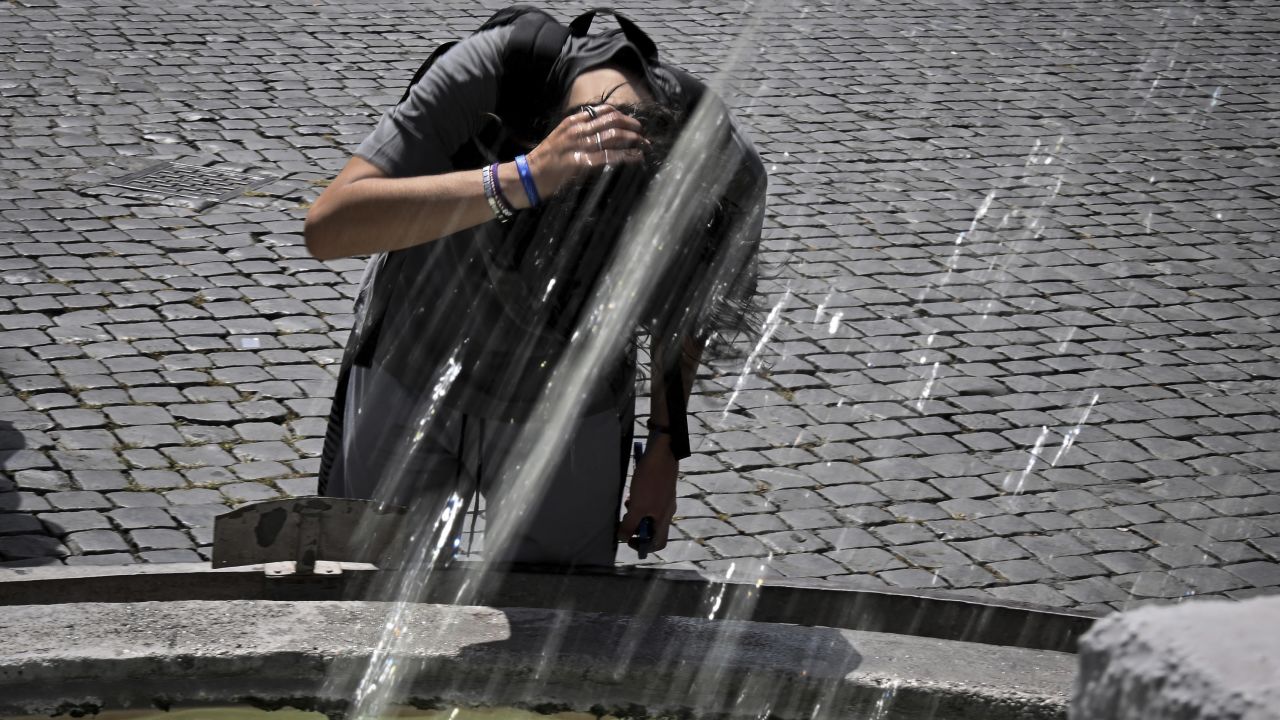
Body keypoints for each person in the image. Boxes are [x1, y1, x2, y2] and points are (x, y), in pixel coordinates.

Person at [304, 7, 766, 568]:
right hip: (410, 376)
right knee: (361, 603)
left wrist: (665, 448)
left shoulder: (720, 167)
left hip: (567, 414)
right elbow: (329, 226)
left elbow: (686, 312)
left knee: (557, 627)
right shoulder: (486, 75)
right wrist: (521, 178)